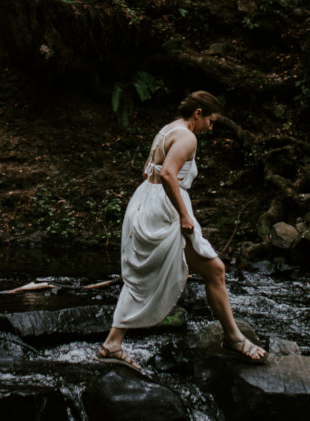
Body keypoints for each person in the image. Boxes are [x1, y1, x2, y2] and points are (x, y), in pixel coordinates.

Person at [97, 90, 267, 371]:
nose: (210, 128)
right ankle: (234, 338)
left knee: (147, 276)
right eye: (210, 121)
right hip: (165, 211)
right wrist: (184, 214)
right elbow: (167, 174)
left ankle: (113, 343)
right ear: (198, 114)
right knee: (216, 270)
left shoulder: (167, 130)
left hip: (145, 203)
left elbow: (147, 172)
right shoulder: (188, 137)